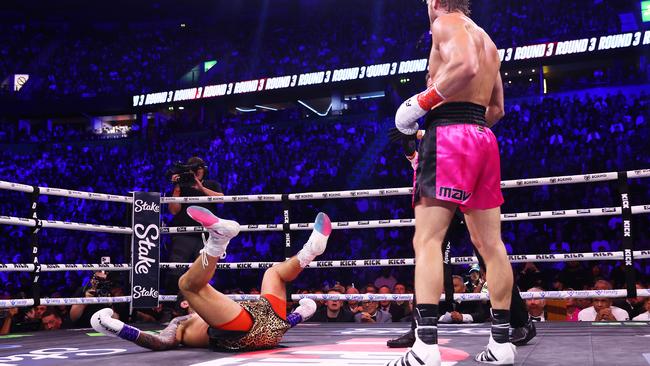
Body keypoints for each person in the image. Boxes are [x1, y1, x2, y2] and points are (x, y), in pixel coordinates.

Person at [387, 0, 516, 364]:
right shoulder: (487, 40)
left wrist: (420, 103)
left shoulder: (445, 23)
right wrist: (466, 133)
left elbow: (464, 66)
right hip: (481, 136)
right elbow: (497, 109)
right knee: (491, 244)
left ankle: (426, 348)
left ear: (438, 1)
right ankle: (501, 344)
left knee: (427, 239)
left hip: (449, 135)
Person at [91, 206, 329, 351]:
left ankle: (309, 249)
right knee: (186, 284)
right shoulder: (179, 324)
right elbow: (160, 342)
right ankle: (218, 240)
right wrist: (117, 328)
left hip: (269, 326)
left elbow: (279, 324)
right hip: (252, 330)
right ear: (186, 303)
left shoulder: (206, 315)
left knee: (273, 272)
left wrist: (302, 312)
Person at [165, 157, 224, 293]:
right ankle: (172, 308)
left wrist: (201, 188)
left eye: (199, 168)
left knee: (203, 273)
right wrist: (177, 188)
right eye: (193, 169)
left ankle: (199, 309)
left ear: (204, 170)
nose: (196, 172)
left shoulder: (212, 184)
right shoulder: (182, 187)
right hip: (183, 235)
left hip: (205, 236)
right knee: (175, 271)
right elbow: (173, 210)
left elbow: (221, 199)